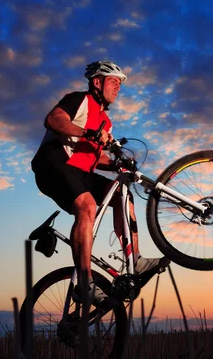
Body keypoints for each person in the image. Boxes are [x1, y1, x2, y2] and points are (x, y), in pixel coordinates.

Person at [31, 60, 169, 305]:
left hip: (80, 171)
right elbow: (54, 119)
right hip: (53, 163)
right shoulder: (79, 100)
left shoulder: (107, 123)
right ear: (97, 82)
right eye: (114, 82)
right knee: (87, 206)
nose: (118, 88)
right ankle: (84, 282)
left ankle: (135, 259)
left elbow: (96, 159)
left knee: (123, 197)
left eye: (120, 84)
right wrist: (88, 133)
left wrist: (116, 164)